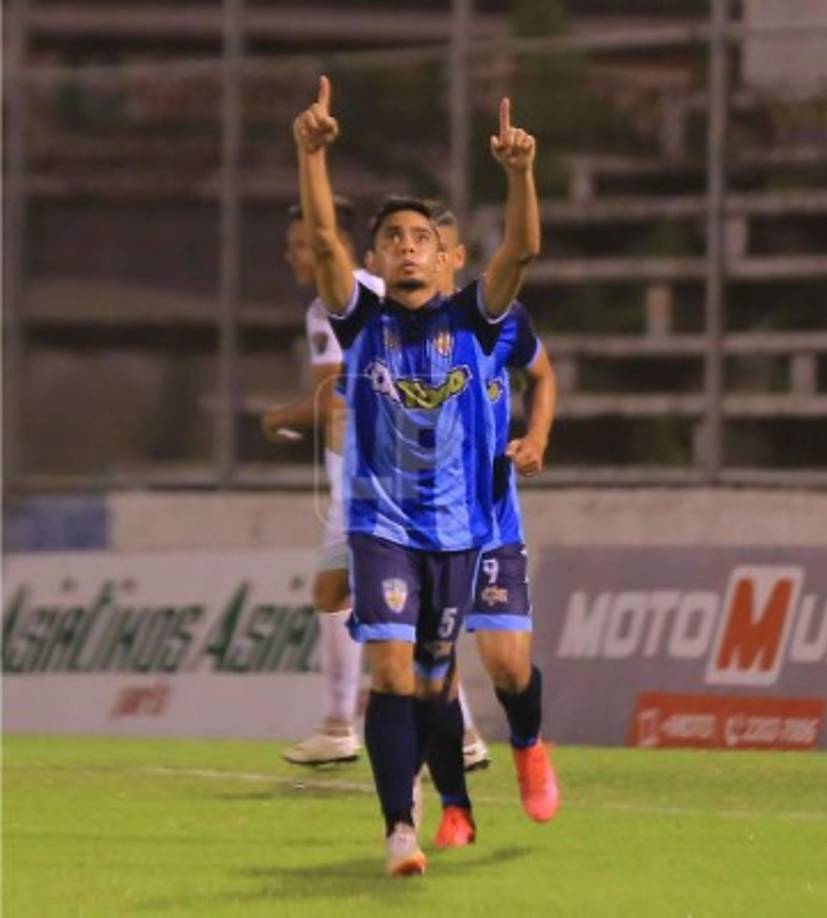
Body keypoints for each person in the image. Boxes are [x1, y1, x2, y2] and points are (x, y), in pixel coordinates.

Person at [293, 74, 544, 877]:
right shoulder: (360, 320)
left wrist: (517, 174)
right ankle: (400, 827)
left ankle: (474, 788)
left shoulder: (473, 318)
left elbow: (523, 251)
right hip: (380, 524)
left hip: (462, 528)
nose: (406, 245)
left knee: (438, 685)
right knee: (393, 671)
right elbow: (325, 243)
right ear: (375, 260)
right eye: (391, 238)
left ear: (444, 255)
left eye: (419, 237)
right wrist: (311, 158)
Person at [262, 202, 491, 771]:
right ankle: (379, 726)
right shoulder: (380, 288)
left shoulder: (336, 305)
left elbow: (333, 389)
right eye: (291, 245)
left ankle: (360, 726)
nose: (296, 255)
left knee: (384, 606)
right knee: (339, 595)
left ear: (332, 242)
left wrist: (277, 418)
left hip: (370, 479)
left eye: (303, 242)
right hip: (391, 473)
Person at [425, 204, 559, 832]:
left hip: (491, 520)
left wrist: (536, 436)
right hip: (422, 528)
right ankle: (455, 808)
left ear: (454, 258)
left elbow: (542, 375)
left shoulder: (495, 319)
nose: (421, 255)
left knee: (507, 665)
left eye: (435, 245)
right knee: (433, 673)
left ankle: (529, 745)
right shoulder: (392, 332)